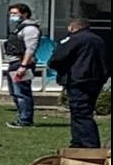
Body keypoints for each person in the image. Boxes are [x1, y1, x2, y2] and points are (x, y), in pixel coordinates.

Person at [47, 17, 110, 149]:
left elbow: (57, 57)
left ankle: (89, 144)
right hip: (95, 80)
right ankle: (77, 141)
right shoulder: (98, 39)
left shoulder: (74, 39)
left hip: (78, 79)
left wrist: (55, 67)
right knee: (83, 110)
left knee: (80, 112)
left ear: (73, 27)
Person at [3, 3, 43, 130]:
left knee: (22, 93)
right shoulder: (19, 28)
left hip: (21, 64)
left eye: (15, 13)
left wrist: (23, 66)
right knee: (15, 93)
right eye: (11, 14)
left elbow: (30, 49)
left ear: (24, 13)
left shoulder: (30, 29)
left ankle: (26, 120)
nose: (12, 16)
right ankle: (21, 117)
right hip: (13, 63)